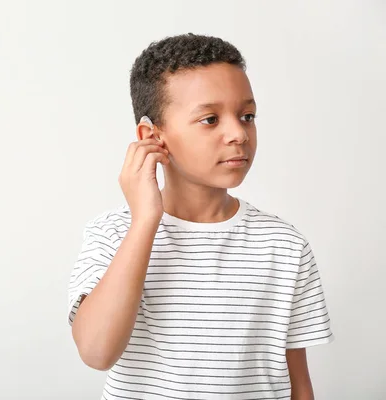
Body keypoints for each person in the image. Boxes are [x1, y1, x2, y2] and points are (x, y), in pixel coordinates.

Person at [67, 33, 334, 400]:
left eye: (247, 116)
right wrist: (145, 220)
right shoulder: (112, 235)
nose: (238, 133)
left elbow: (298, 384)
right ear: (152, 136)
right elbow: (97, 352)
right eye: (210, 119)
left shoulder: (284, 246)